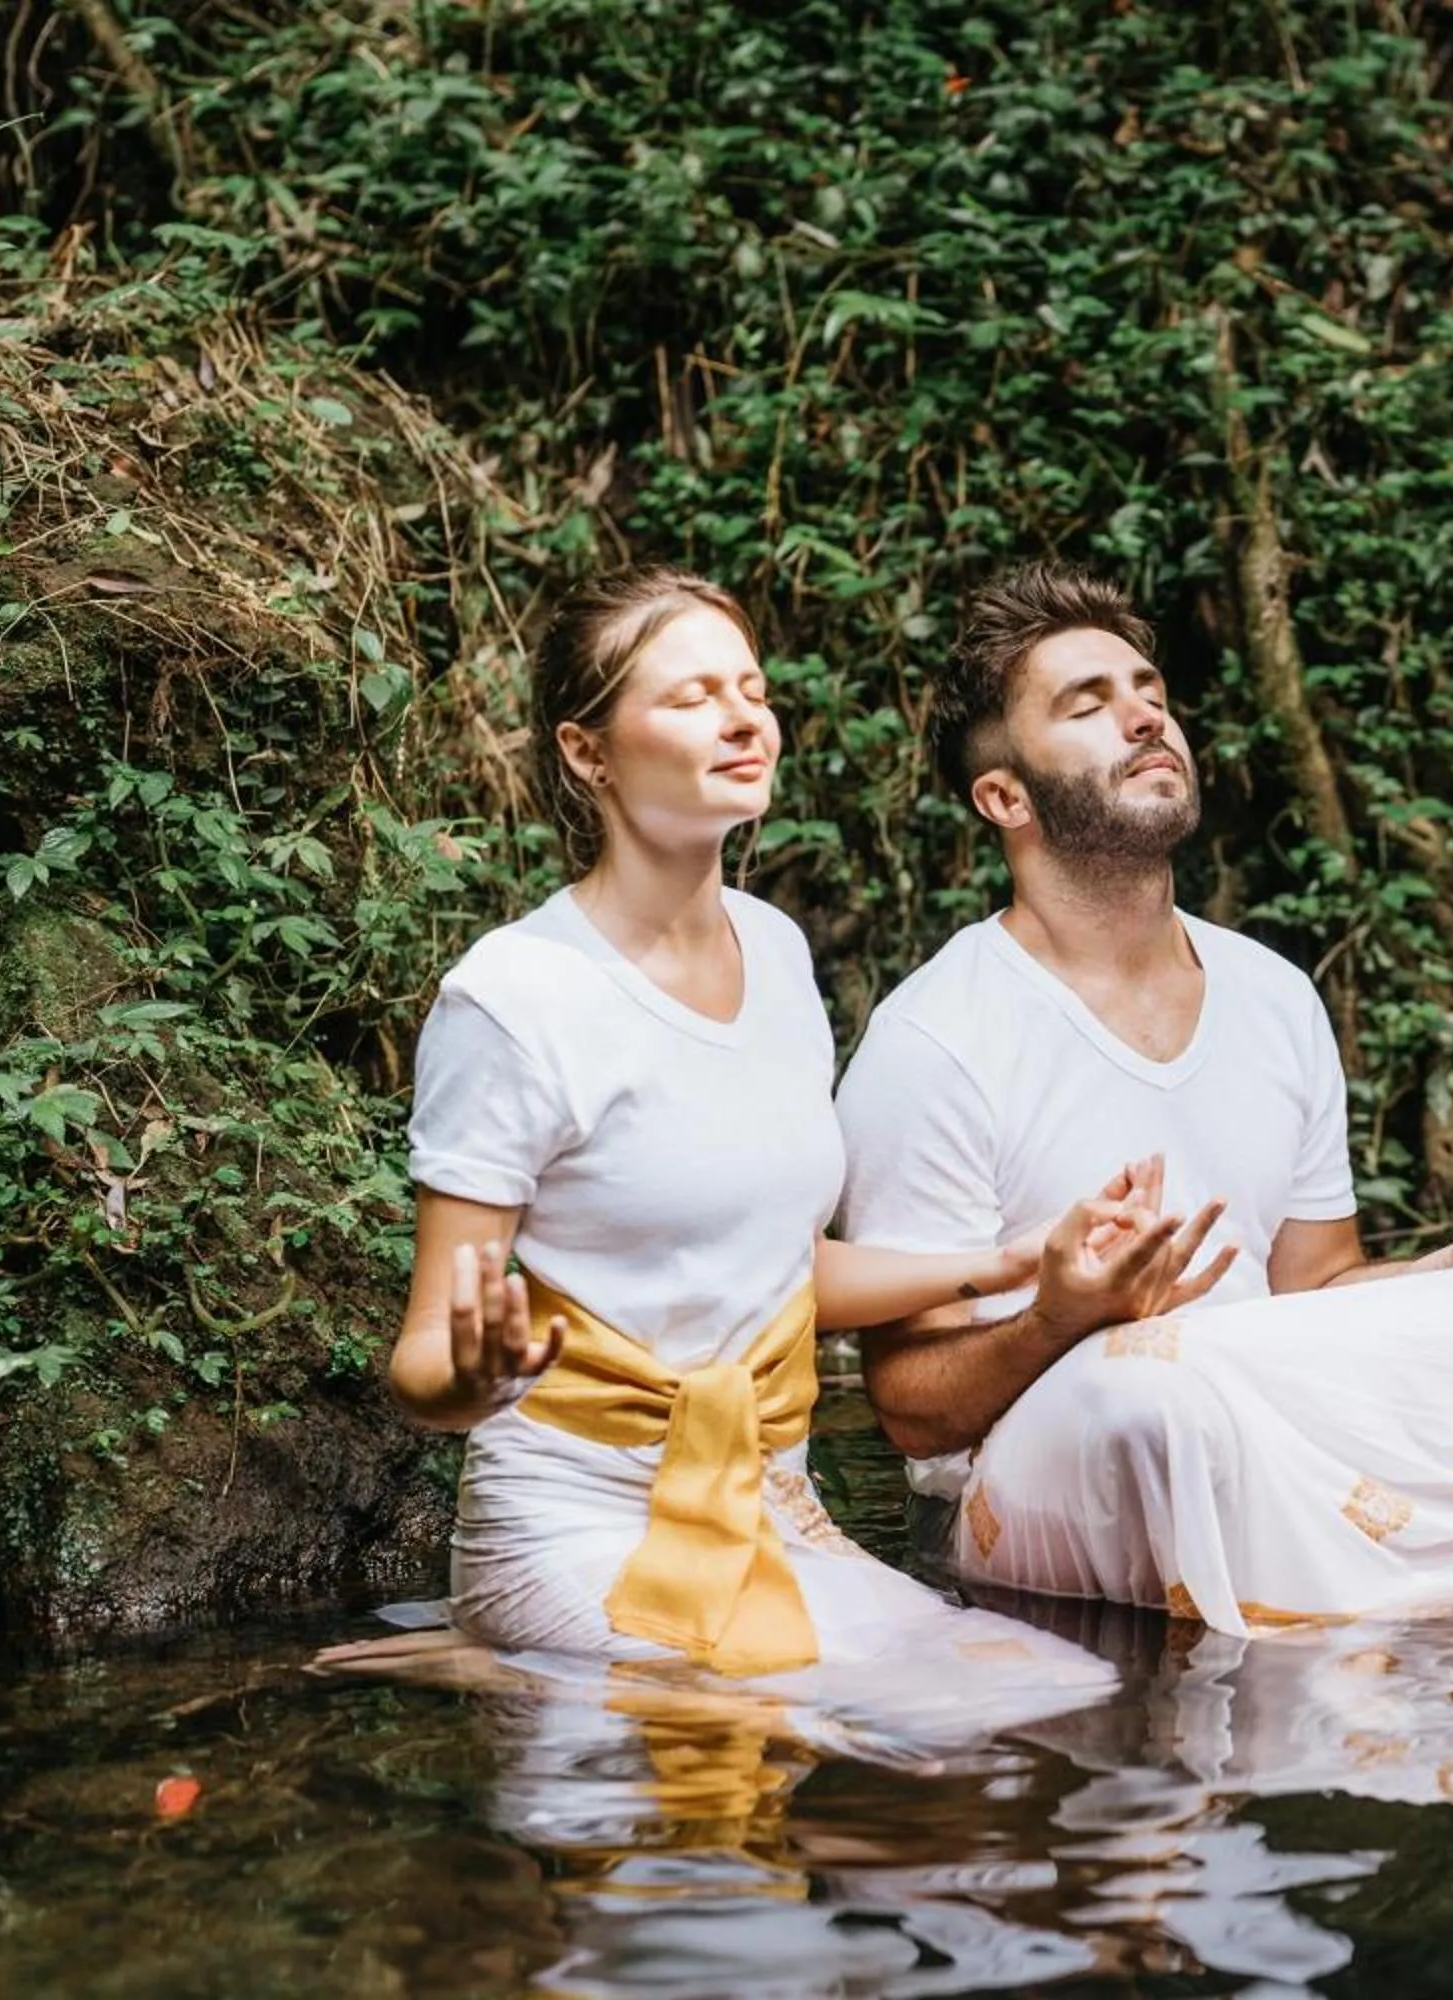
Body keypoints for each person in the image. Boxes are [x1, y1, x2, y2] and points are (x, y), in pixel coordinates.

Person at [327, 564, 1130, 1738]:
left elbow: (786, 1269)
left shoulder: (777, 950)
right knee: (891, 1730)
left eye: (751, 689)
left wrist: (1011, 1264)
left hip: (771, 1509)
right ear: (589, 752)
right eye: (694, 694)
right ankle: (512, 1641)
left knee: (1056, 1694)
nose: (745, 716)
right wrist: (478, 1373)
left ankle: (542, 1670)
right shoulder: (514, 996)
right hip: (577, 1522)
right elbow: (421, 1370)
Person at [833, 560, 1453, 1636]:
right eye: (1090, 702)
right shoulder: (933, 1039)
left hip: (1252, 1408)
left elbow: (1313, 1290)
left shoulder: (1274, 995)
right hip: (1032, 1475)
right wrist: (1064, 1318)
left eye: (1148, 689)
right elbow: (910, 1411)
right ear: (1005, 797)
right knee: (1150, 1393)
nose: (1145, 715)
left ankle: (1446, 1659)